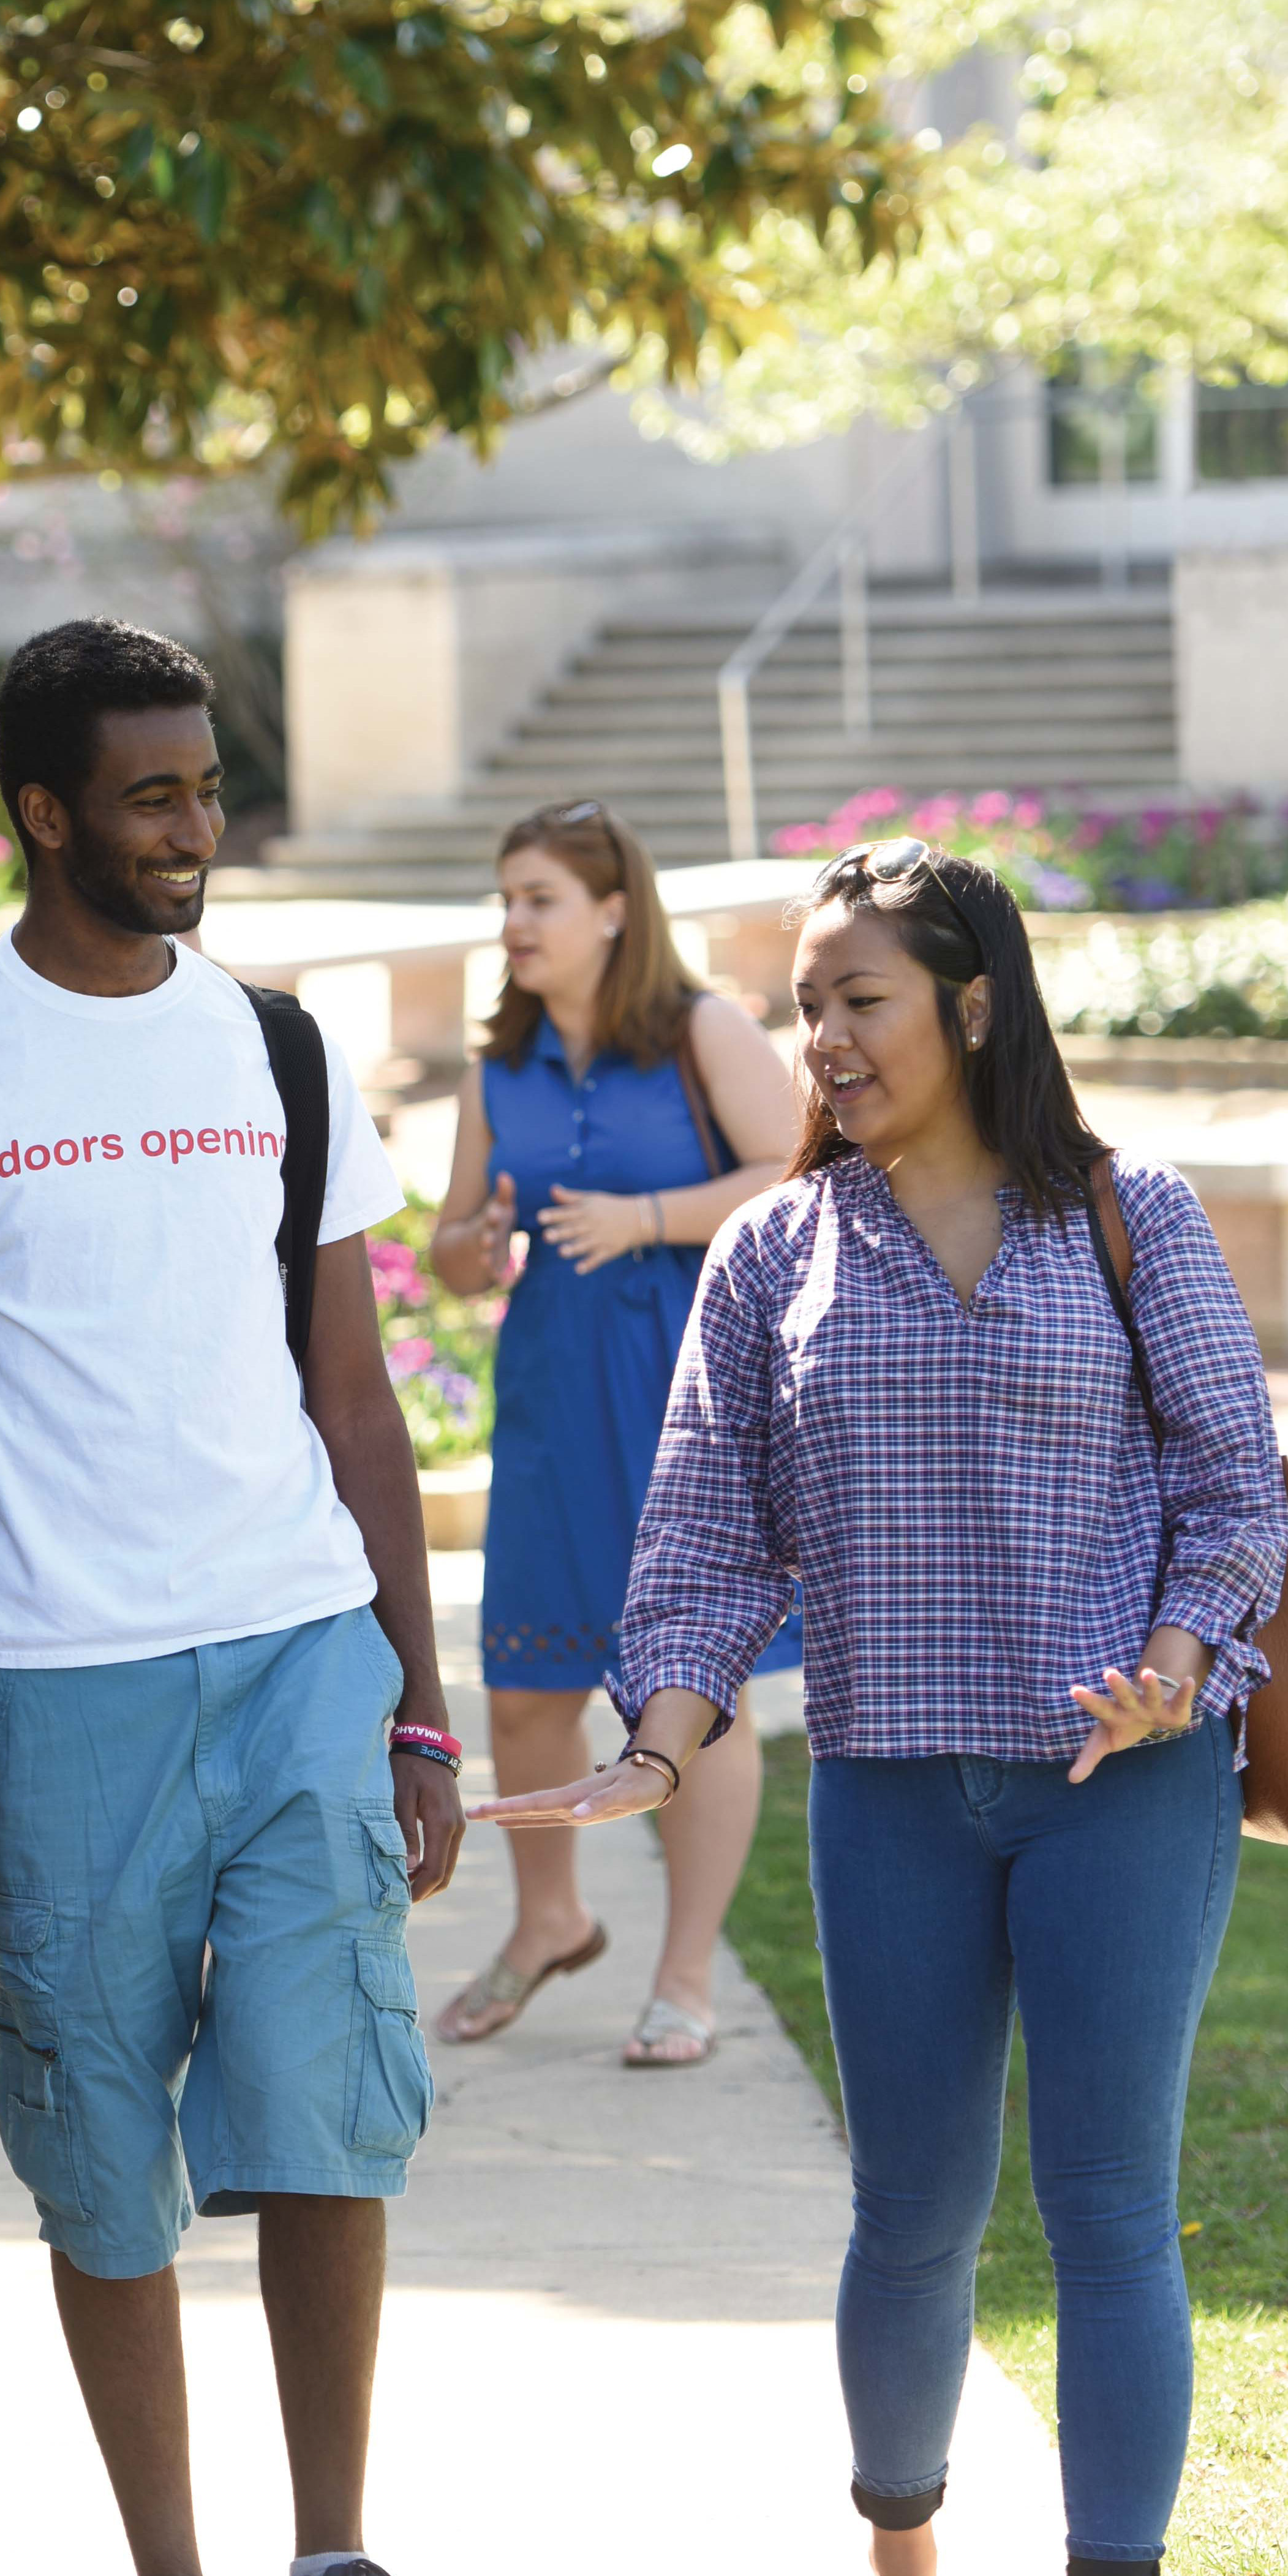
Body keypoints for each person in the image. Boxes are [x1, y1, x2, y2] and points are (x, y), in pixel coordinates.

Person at [473, 838, 1284, 2576]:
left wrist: (1173, 1663)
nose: (818, 1039)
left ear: (970, 1006)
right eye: (803, 1003)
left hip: (1120, 1789)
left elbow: (1229, 1491)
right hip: (893, 1791)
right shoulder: (772, 1252)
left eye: (858, 1000)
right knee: (909, 2213)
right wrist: (656, 1744)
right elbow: (695, 1548)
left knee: (1105, 2212)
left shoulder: (1124, 1216)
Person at [0, 617, 469, 2576]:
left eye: (207, 787)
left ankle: (340, 2566)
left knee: (324, 2105)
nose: (196, 829)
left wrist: (415, 1698)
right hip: (52, 1685)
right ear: (46, 810)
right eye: (154, 794)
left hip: (291, 1652)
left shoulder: (273, 1049)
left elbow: (355, 1397)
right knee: (97, 2143)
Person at [426, 799, 797, 2066]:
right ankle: (547, 1922)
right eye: (505, 898)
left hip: (686, 1396)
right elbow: (451, 1243)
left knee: (698, 1694)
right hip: (548, 1398)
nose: (513, 922)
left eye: (537, 898)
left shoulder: (699, 1031)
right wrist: (471, 1252)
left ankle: (683, 1975)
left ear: (611, 911)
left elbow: (795, 1175)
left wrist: (648, 1218)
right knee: (526, 1690)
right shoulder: (496, 1065)